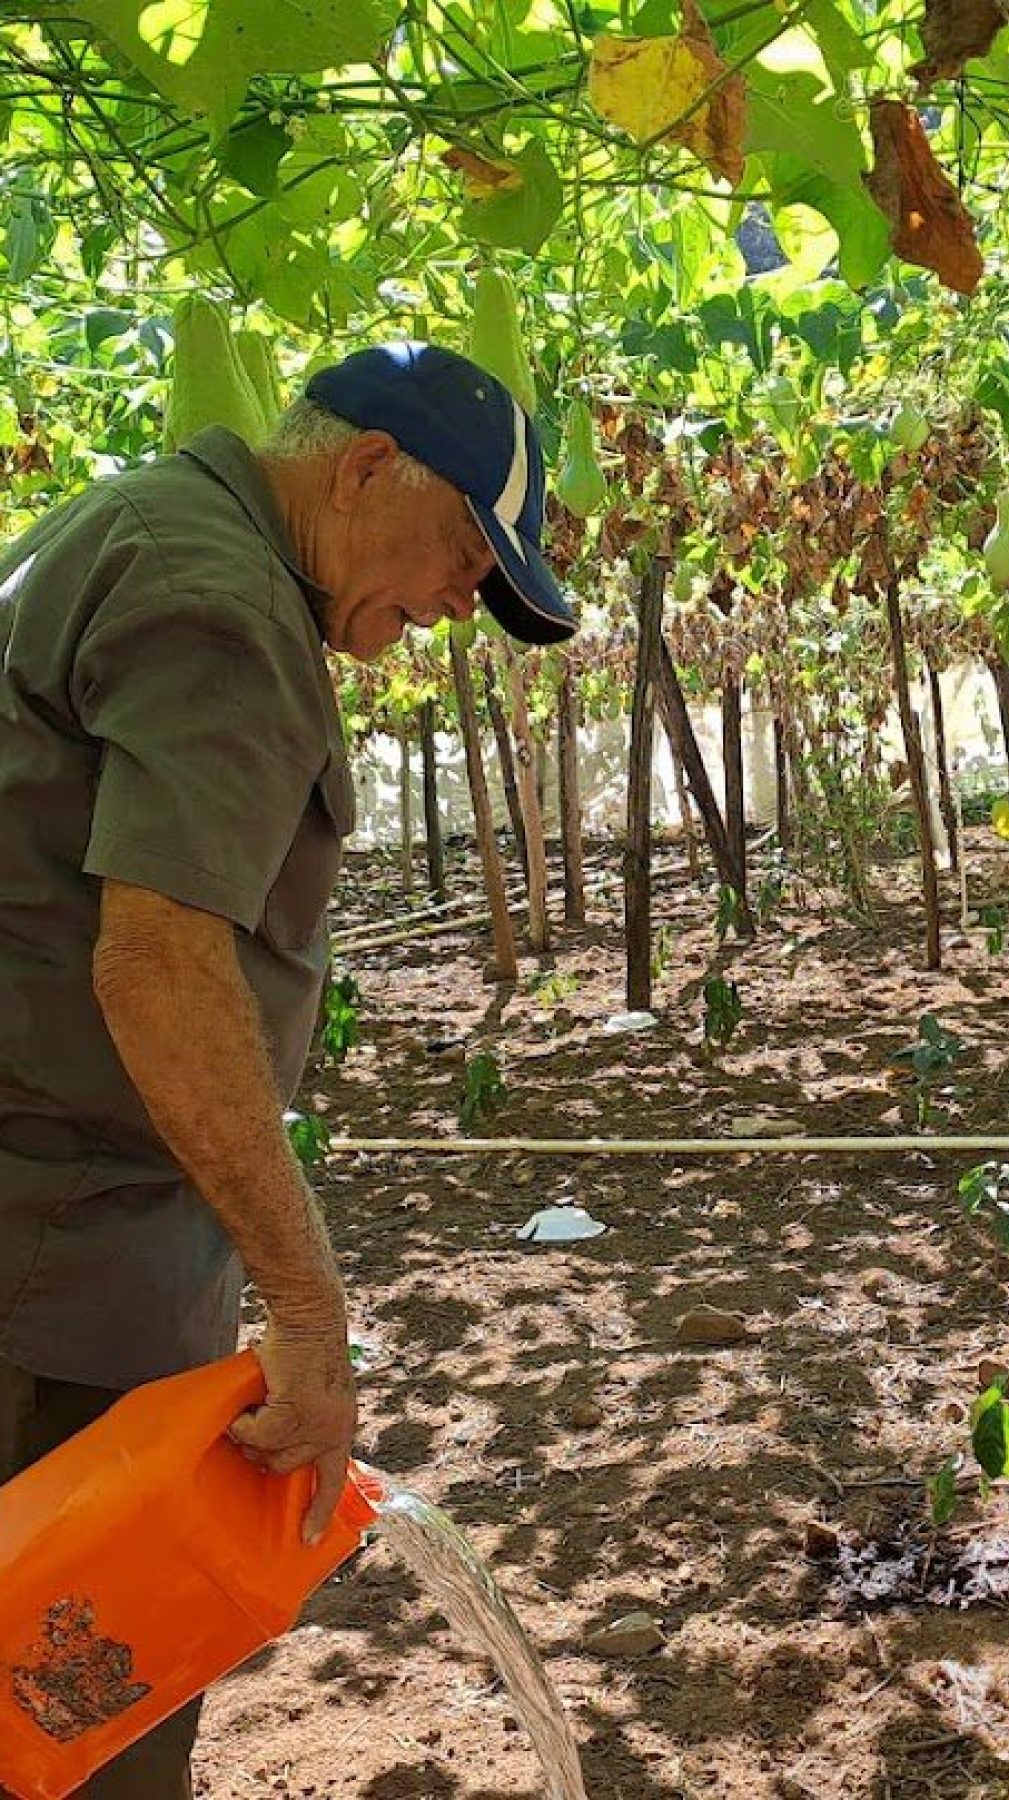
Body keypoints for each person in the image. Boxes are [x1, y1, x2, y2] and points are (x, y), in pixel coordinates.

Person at [0, 341, 575, 1797]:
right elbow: (161, 963)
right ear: (369, 465)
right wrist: (309, 1306)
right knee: (76, 1709)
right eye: (467, 553)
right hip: (60, 1264)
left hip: (56, 1234)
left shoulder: (126, 522)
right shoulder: (224, 605)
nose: (459, 605)